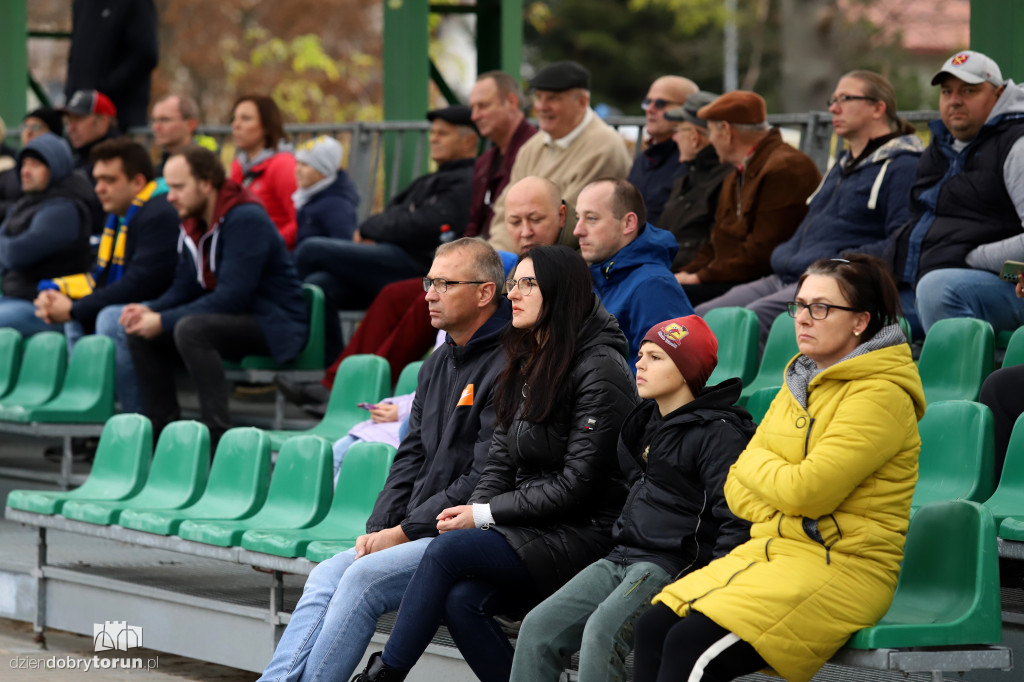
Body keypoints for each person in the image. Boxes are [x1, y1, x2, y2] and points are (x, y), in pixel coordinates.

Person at [633, 255, 926, 682]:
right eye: (800, 305)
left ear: (861, 321)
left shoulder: (880, 395)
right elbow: (737, 486)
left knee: (689, 646)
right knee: (654, 624)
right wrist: (778, 481)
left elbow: (808, 492)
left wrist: (768, 476)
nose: (803, 318)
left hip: (843, 568)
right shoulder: (800, 379)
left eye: (821, 308)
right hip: (772, 552)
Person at [352, 244, 638, 682]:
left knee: (448, 549)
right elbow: (499, 463)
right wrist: (477, 515)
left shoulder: (601, 367)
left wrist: (482, 514)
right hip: (530, 526)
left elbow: (580, 484)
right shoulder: (526, 358)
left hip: (586, 532)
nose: (514, 294)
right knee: (462, 601)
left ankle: (386, 673)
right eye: (513, 283)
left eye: (528, 284)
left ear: (558, 293)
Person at [256, 237, 511, 682]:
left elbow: (485, 475)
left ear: (485, 293)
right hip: (419, 528)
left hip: (469, 532)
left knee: (360, 579)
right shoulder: (436, 364)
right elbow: (409, 457)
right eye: (429, 281)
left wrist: (403, 531)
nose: (429, 294)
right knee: (325, 576)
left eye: (444, 284)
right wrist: (380, 529)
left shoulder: (510, 364)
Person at [511, 314, 754, 682]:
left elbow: (736, 517)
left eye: (656, 357)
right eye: (641, 354)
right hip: (621, 554)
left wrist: (716, 586)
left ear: (687, 369)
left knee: (602, 633)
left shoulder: (719, 433)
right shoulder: (643, 424)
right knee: (537, 629)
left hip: (672, 562)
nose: (639, 364)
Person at [277, 174, 568, 416]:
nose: (526, 232)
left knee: (431, 296)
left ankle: (361, 391)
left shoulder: (567, 272)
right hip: (479, 258)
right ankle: (340, 385)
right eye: (516, 222)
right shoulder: (445, 176)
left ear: (562, 215)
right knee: (391, 293)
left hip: (480, 267)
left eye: (536, 220)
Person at [695, 71, 924, 342]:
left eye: (846, 99)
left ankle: (749, 386)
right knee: (704, 317)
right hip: (790, 275)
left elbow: (902, 241)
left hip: (832, 281)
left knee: (749, 322)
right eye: (833, 99)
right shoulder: (841, 166)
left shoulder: (903, 166)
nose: (833, 108)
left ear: (878, 108)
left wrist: (837, 263)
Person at [121, 146, 307, 447]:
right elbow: (184, 287)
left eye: (179, 187)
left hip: (274, 322)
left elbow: (233, 296)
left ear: (206, 184)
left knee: (191, 328)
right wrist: (148, 310)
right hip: (234, 318)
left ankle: (217, 438)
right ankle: (163, 436)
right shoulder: (193, 223)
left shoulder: (246, 218)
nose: (170, 196)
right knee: (141, 332)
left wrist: (163, 320)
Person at [296, 104, 478, 361]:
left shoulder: (466, 180)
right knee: (319, 285)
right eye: (433, 133)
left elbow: (427, 225)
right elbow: (394, 215)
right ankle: (329, 370)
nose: (434, 138)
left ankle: (268, 324)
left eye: (443, 133)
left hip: (417, 266)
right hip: (389, 261)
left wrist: (371, 229)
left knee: (311, 249)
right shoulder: (429, 180)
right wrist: (385, 226)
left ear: (469, 140)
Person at [34, 138, 179, 414]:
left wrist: (75, 308)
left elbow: (141, 282)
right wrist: (61, 295)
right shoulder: (118, 216)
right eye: (97, 179)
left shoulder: (159, 212)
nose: (99, 188)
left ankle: (137, 425)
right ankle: (87, 413)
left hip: (171, 310)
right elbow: (100, 279)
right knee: (77, 314)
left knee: (110, 318)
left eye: (109, 180)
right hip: (146, 302)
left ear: (137, 182)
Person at [894, 51, 1024, 335]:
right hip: (929, 276)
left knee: (937, 289)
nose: (954, 100)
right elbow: (918, 228)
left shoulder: (1018, 144)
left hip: (1005, 284)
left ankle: (957, 380)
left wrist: (971, 257)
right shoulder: (940, 148)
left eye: (969, 90)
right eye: (947, 91)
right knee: (844, 298)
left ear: (999, 94)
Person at [675, 90, 821, 305]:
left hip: (756, 280)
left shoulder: (785, 168)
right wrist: (684, 274)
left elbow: (762, 253)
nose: (711, 139)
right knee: (661, 290)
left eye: (711, 131)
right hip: (730, 277)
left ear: (726, 130)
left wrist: (698, 277)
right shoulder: (737, 173)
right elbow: (717, 242)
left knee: (667, 300)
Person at [487, 60, 632, 251]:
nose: (541, 106)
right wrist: (493, 259)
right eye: (538, 97)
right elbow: (504, 211)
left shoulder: (604, 147)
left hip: (568, 266)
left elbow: (566, 227)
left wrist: (504, 265)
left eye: (553, 98)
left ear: (582, 102)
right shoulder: (532, 147)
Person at [574, 178, 695, 362]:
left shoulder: (653, 286)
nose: (577, 230)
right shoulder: (593, 279)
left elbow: (670, 372)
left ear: (628, 223)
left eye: (591, 218)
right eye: (578, 218)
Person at [0, 134, 94, 335]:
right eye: (24, 164)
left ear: (55, 167)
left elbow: (15, 255)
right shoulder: (26, 203)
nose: (25, 172)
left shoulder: (64, 208)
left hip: (45, 306)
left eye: (34, 165)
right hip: (14, 297)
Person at [657, 91, 733, 271]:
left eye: (678, 130)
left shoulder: (726, 180)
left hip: (685, 278)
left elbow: (711, 249)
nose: (674, 137)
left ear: (694, 136)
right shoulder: (688, 176)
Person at [64, 0, 158, 131]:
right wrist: (71, 96)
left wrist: (102, 92)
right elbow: (76, 54)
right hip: (81, 116)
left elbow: (145, 56)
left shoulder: (136, 3)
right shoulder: (81, 3)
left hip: (119, 119)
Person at [466, 71, 539, 238]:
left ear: (511, 102)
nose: (475, 116)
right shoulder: (484, 162)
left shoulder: (537, 152)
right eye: (473, 108)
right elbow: (473, 222)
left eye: (483, 106)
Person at [228, 95, 298, 248]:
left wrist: (266, 245)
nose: (236, 125)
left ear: (266, 126)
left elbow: (299, 222)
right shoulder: (238, 165)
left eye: (245, 118)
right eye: (234, 118)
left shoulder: (283, 164)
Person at [628, 76, 699, 220]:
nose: (650, 109)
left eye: (660, 103)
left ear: (687, 110)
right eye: (648, 102)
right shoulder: (643, 160)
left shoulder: (691, 161)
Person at [292, 135, 359, 245]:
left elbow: (343, 249)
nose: (297, 170)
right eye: (297, 163)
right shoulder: (310, 198)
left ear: (324, 170)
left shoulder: (337, 206)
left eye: (305, 165)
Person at [152, 95, 217, 176]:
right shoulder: (156, 171)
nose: (156, 127)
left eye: (164, 119)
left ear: (191, 124)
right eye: (154, 120)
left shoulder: (205, 169)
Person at [61, 89, 122, 177]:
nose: (71, 128)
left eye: (78, 119)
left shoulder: (118, 161)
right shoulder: (79, 156)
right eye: (69, 121)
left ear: (103, 121)